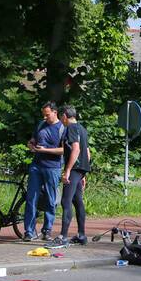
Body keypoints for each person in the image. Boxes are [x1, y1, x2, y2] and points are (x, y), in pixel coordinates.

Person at [23, 102, 64, 242]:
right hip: (36, 165)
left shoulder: (62, 128)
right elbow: (33, 139)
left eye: (47, 114)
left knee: (50, 200)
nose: (45, 117)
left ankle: (47, 230)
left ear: (55, 112)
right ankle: (29, 231)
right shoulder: (41, 124)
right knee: (31, 198)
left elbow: (64, 150)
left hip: (53, 167)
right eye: (44, 115)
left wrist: (45, 150)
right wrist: (31, 145)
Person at [57, 105, 91, 246]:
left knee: (66, 201)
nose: (61, 121)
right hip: (81, 169)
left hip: (75, 168)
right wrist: (84, 174)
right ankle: (81, 235)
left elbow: (76, 149)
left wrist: (68, 170)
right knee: (77, 201)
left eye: (61, 117)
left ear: (65, 115)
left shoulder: (70, 128)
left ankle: (63, 237)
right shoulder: (82, 129)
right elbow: (87, 153)